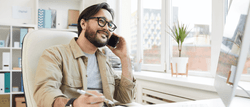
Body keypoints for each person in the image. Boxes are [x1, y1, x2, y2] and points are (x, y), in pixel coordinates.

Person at [33, 2, 136, 107]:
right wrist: (73, 104)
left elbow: (126, 97)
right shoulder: (55, 55)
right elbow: (44, 93)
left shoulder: (105, 61)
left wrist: (125, 57)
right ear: (83, 24)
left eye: (110, 25)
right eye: (102, 21)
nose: (106, 28)